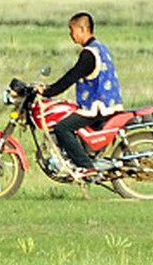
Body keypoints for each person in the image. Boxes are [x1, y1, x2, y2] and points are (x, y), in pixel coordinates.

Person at [37, 12, 122, 180]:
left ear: (83, 29)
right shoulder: (100, 47)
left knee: (62, 127)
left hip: (98, 108)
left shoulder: (89, 54)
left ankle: (85, 166)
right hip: (109, 104)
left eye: (72, 29)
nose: (70, 34)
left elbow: (71, 76)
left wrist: (48, 91)